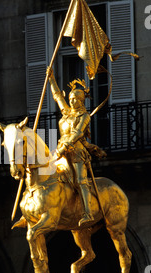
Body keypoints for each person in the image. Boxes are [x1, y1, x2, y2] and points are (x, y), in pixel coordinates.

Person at [46, 66, 106, 227]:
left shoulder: (84, 116)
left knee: (80, 181)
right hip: (62, 151)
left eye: (75, 99)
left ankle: (88, 213)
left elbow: (79, 133)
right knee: (47, 175)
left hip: (76, 152)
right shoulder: (66, 113)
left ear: (81, 100)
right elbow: (58, 96)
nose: (71, 101)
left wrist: (64, 146)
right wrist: (51, 78)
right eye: (71, 98)